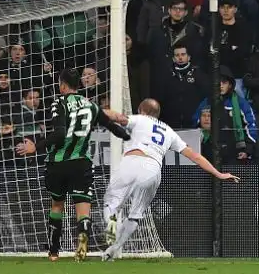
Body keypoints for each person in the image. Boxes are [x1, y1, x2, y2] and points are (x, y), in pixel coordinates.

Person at [15, 68, 131, 262]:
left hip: (58, 163)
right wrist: (129, 137)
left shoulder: (59, 102)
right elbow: (111, 126)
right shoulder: (91, 106)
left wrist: (37, 146)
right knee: (83, 208)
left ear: (62, 85)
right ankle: (82, 245)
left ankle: (53, 252)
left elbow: (60, 134)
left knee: (57, 206)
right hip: (81, 163)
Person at [102, 99, 240, 261]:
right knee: (135, 214)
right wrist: (219, 174)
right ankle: (114, 250)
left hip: (132, 161)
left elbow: (118, 118)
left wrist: (97, 111)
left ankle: (111, 221)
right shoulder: (169, 132)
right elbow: (195, 156)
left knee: (111, 203)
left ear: (141, 110)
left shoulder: (138, 119)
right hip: (153, 170)